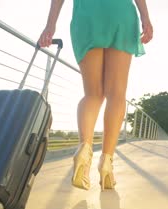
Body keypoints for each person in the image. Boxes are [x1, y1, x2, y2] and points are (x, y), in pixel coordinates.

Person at [38, 0, 153, 191]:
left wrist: (50, 26)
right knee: (116, 94)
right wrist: (146, 19)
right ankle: (107, 161)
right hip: (120, 13)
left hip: (88, 15)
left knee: (93, 94)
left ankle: (85, 147)